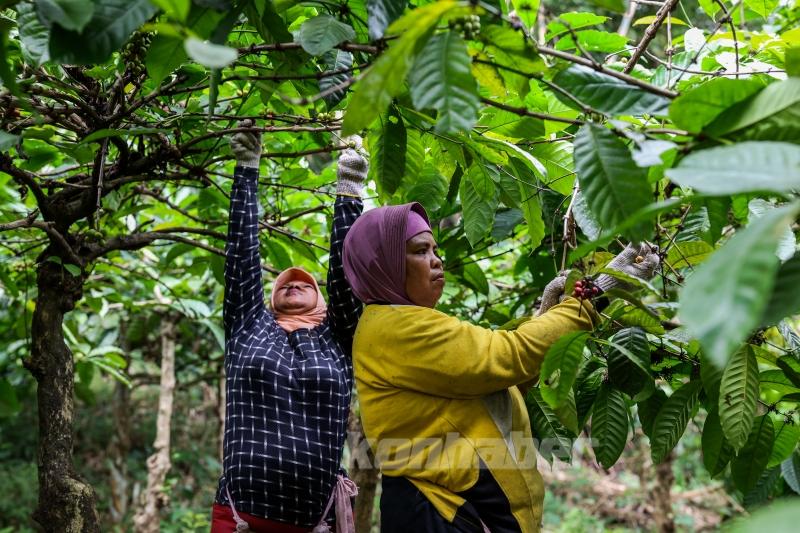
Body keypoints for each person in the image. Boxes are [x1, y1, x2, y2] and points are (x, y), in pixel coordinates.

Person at [341, 203, 658, 532]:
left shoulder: (409, 324)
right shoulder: (395, 327)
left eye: (435, 248)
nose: (436, 259)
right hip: (440, 514)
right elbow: (507, 356)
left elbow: (492, 384)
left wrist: (544, 320)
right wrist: (598, 291)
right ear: (385, 263)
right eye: (420, 251)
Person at [211, 121, 367, 533]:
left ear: (324, 301)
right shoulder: (249, 325)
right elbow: (241, 257)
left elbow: (345, 272)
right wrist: (247, 166)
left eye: (306, 283)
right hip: (239, 516)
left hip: (314, 521)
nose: (295, 279)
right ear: (269, 297)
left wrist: (349, 187)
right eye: (285, 282)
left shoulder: (338, 337)